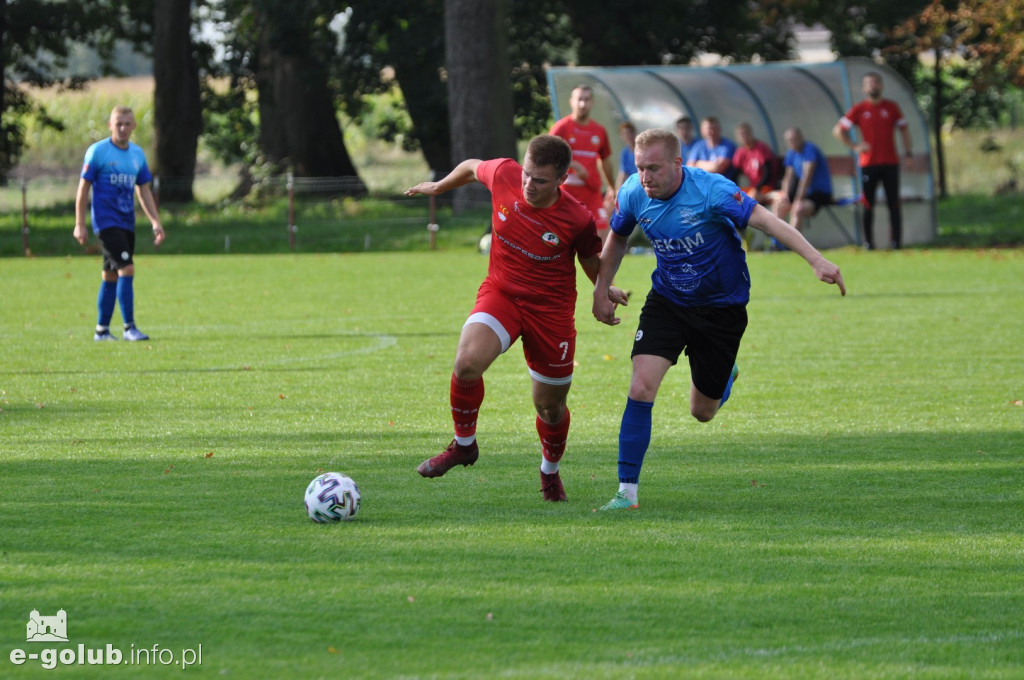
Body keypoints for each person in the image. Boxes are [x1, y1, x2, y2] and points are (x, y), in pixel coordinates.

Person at [591, 128, 845, 511]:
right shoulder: (632, 192)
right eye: (641, 168)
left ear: (678, 164)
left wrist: (816, 259)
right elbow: (618, 239)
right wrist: (600, 288)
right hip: (668, 301)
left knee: (701, 411)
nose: (645, 177)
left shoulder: (712, 190)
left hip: (721, 308)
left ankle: (726, 375)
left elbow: (767, 222)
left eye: (654, 169)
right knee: (641, 386)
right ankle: (627, 494)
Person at [404, 135, 627, 502]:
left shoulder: (577, 218)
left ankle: (549, 472)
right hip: (502, 294)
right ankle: (464, 446)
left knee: (549, 406)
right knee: (466, 364)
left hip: (550, 312)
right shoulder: (505, 174)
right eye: (526, 174)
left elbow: (590, 260)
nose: (528, 184)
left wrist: (603, 289)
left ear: (562, 178)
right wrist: (440, 186)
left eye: (539, 180)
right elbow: (473, 166)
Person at [74, 106, 165, 341]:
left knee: (110, 274)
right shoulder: (98, 152)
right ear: (110, 125)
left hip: (127, 222)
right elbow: (83, 189)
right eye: (118, 123)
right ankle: (129, 328)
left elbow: (143, 190)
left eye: (127, 123)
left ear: (134, 126)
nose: (123, 128)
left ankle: (101, 331)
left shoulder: (137, 155)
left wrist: (155, 221)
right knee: (127, 268)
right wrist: (79, 224)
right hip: (106, 222)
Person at [833, 71, 913, 249]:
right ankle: (869, 243)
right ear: (864, 88)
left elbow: (904, 130)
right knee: (868, 203)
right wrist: (855, 147)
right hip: (868, 164)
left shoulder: (891, 107)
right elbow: (838, 130)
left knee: (893, 203)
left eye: (875, 82)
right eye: (869, 83)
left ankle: (896, 243)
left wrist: (908, 154)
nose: (873, 86)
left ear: (881, 85)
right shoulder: (860, 109)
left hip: (890, 162)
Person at [550, 85, 617, 240]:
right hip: (566, 191)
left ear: (591, 102)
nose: (582, 104)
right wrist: (572, 164)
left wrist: (612, 187)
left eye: (586, 100)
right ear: (572, 101)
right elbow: (548, 156)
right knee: (561, 238)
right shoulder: (561, 128)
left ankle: (600, 265)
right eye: (579, 99)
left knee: (601, 235)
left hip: (592, 191)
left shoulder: (599, 130)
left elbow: (605, 161)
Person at [771, 127, 833, 234]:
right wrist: (785, 196)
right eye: (790, 141)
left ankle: (791, 243)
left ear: (801, 138)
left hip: (819, 193)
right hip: (804, 193)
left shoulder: (809, 150)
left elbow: (806, 177)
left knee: (797, 208)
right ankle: (775, 242)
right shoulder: (791, 153)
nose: (793, 143)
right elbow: (788, 177)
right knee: (779, 205)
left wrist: (798, 199)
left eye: (795, 139)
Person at [731, 122, 779, 204]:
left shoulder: (761, 148)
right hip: (753, 188)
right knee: (731, 199)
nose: (744, 137)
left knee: (747, 200)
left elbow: (768, 173)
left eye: (746, 133)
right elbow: (735, 173)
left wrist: (757, 189)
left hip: (766, 187)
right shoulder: (741, 152)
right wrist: (733, 189)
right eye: (741, 135)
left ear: (751, 133)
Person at [686, 116, 737, 180]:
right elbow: (689, 167)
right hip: (702, 185)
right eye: (708, 129)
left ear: (719, 129)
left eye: (714, 128)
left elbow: (718, 168)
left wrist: (698, 163)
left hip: (722, 185)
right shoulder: (698, 146)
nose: (711, 132)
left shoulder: (727, 146)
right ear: (702, 130)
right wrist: (711, 164)